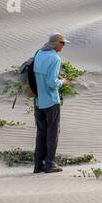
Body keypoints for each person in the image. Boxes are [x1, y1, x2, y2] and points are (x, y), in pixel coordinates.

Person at [32, 33, 68, 174]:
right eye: (63, 43)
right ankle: (50, 164)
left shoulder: (39, 53)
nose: (63, 46)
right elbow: (51, 83)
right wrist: (62, 82)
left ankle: (38, 164)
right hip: (51, 101)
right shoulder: (55, 58)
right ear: (57, 44)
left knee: (41, 132)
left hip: (38, 100)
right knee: (52, 133)